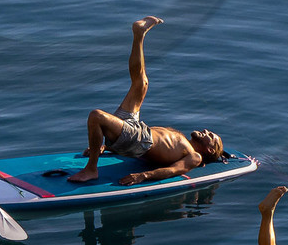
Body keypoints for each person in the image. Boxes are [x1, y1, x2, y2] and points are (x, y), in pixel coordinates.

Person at [67, 17, 226, 186]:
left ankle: (91, 169)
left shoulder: (195, 156)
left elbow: (174, 170)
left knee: (96, 116)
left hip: (139, 140)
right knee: (141, 83)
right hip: (136, 131)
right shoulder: (183, 143)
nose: (206, 130)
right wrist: (107, 147)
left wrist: (144, 176)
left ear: (210, 149)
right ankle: (139, 34)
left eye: (211, 136)